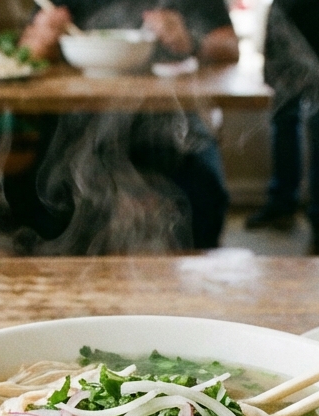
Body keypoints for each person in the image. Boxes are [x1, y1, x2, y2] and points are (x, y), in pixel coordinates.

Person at [14, 1, 239, 252]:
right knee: (39, 194)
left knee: (204, 191)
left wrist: (192, 41)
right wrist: (40, 42)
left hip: (170, 121)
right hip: (77, 124)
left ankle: (189, 281)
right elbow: (26, 52)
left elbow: (231, 46)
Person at [244, 0, 319, 256]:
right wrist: (271, 70)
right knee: (283, 126)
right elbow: (278, 17)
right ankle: (282, 204)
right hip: (286, 65)